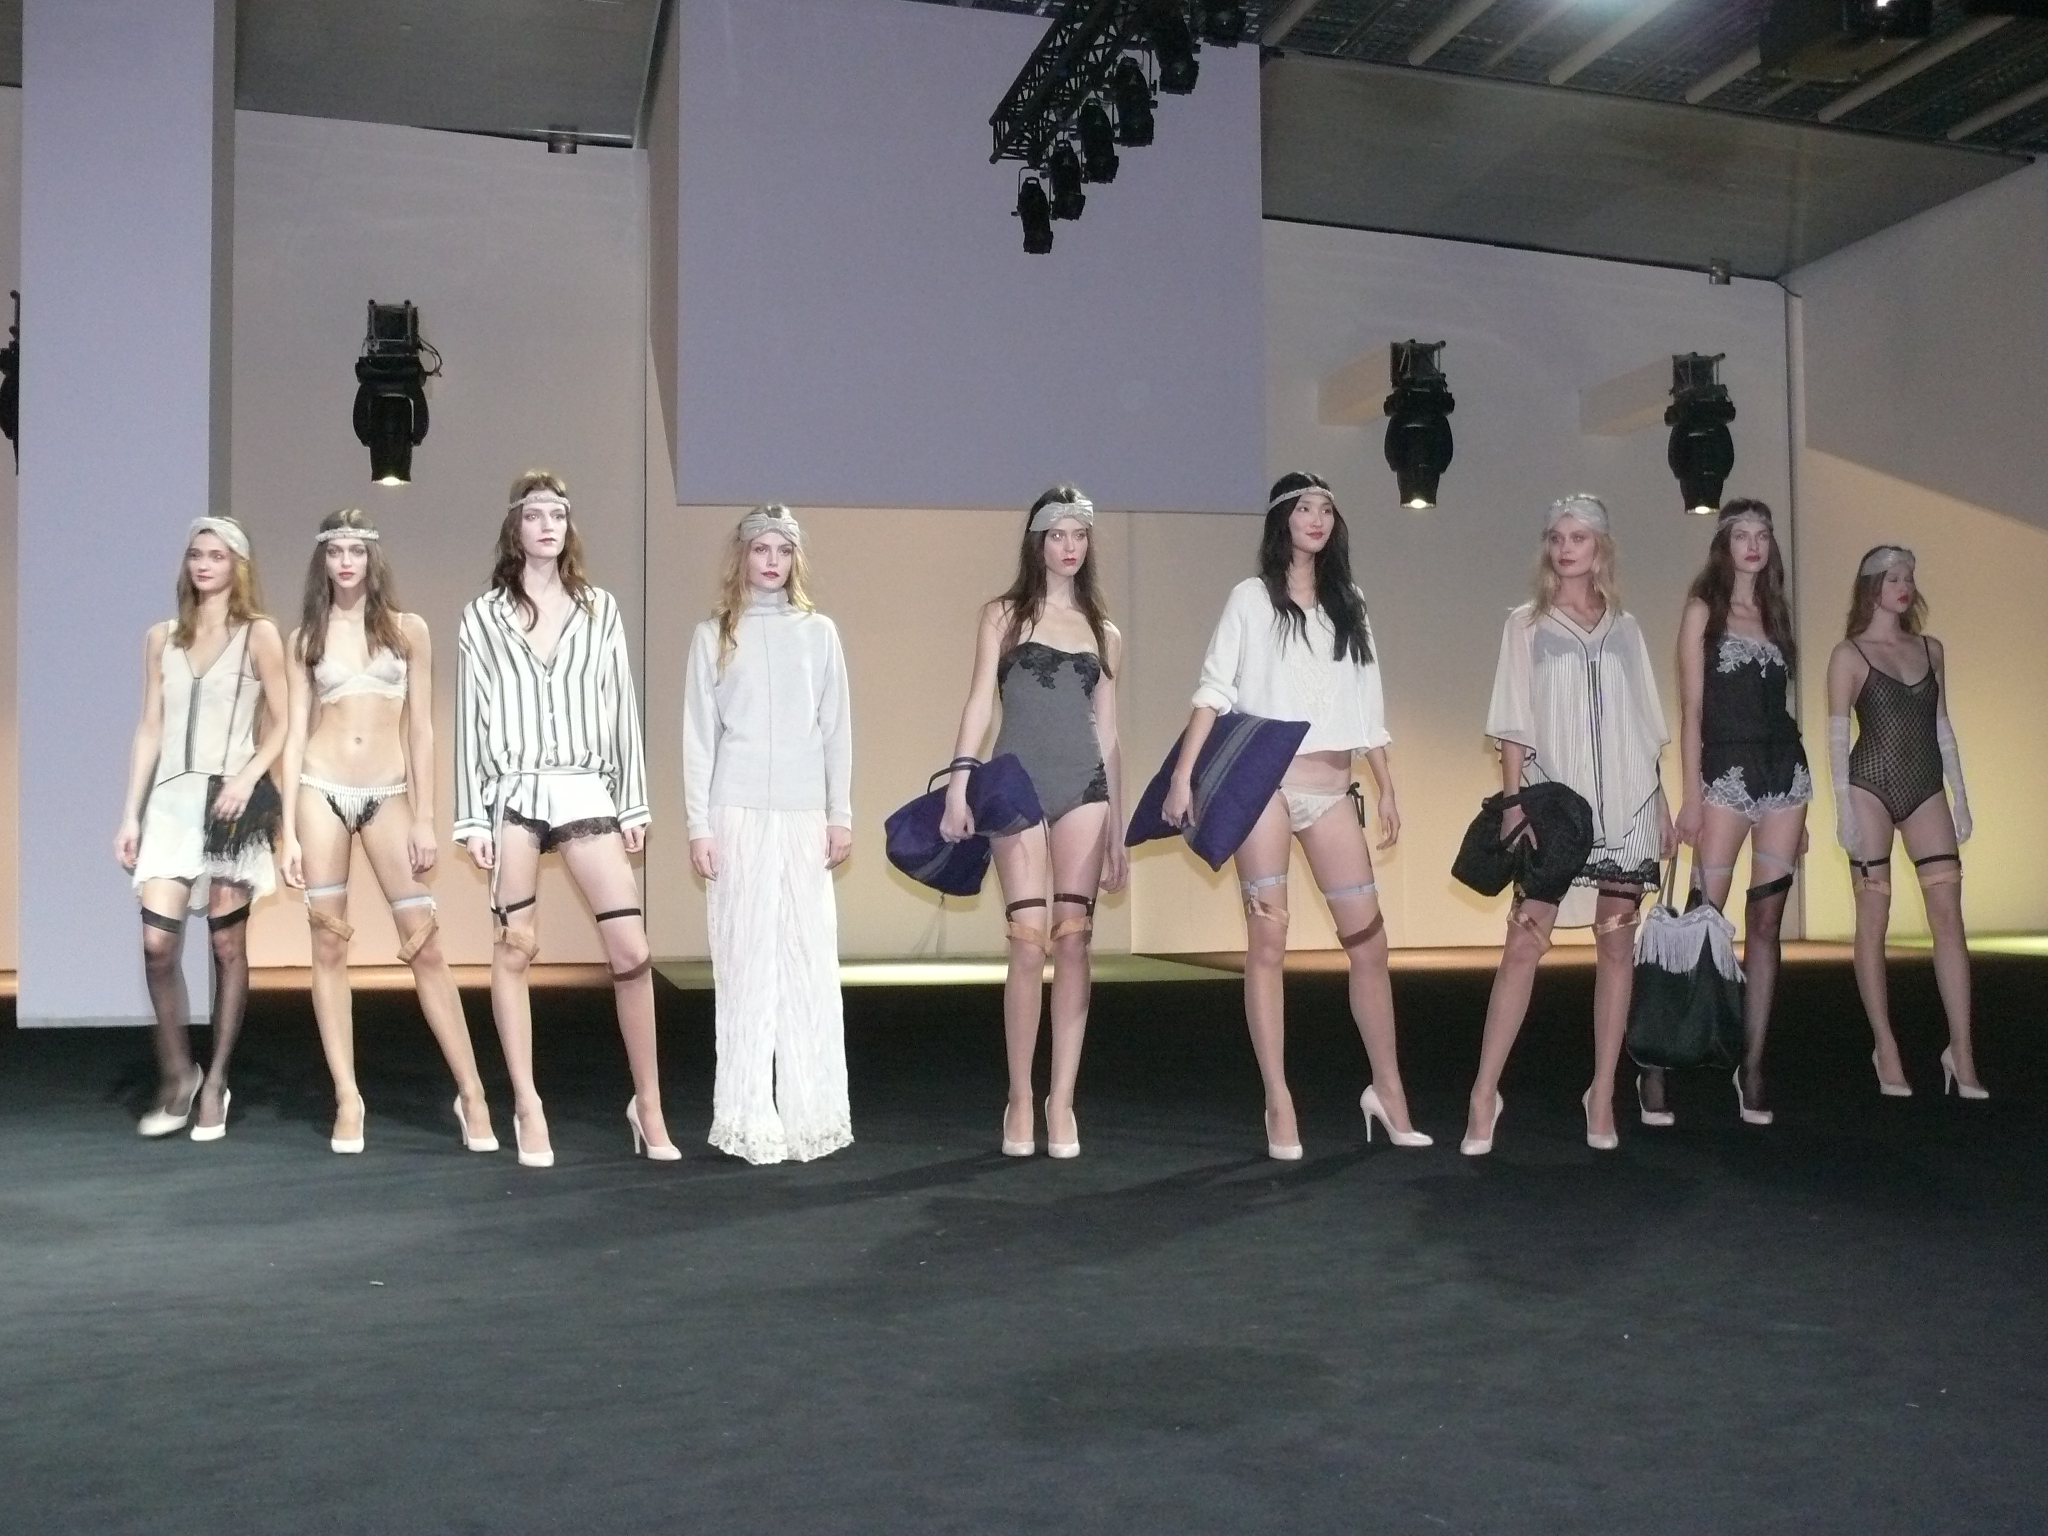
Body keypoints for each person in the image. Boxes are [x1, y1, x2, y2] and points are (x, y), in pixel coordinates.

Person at [1163, 471, 1428, 1158]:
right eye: (1305, 508)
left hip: (1333, 788)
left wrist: (1387, 785)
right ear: (1282, 518)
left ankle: (1388, 1091)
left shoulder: (1350, 603)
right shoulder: (1251, 599)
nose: (1317, 519)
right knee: (1268, 943)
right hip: (1267, 790)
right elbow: (1214, 690)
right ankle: (1278, 1100)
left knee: (1369, 944)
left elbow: (1367, 703)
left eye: (1327, 510)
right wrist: (1184, 776)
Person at [455, 470, 671, 1167]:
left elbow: (621, 705)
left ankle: (648, 1104)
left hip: (584, 787)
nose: (547, 525)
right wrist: (473, 817)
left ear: (568, 526)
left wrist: (632, 800)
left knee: (632, 951)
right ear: (515, 528)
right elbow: (470, 718)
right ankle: (527, 1104)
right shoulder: (482, 617)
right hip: (515, 789)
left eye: (557, 514)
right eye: (534, 514)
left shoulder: (599, 609)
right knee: (515, 947)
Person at [278, 509, 498, 1155]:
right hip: (320, 787)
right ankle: (348, 1097)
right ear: (323, 560)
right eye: (336, 551)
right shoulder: (305, 637)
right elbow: (294, 733)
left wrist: (426, 816)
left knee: (425, 944)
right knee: (328, 945)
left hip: (388, 793)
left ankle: (473, 1093)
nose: (346, 562)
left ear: (373, 558)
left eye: (356, 550)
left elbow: (422, 729)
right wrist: (287, 830)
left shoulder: (408, 631)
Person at [1463, 494, 1675, 1155]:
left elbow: (1644, 724)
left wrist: (1661, 804)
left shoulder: (1626, 629)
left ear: (1600, 547)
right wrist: (1514, 804)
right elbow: (1511, 722)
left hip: (1629, 805)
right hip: (1555, 809)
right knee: (1524, 945)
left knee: (1617, 947)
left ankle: (1602, 1091)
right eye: (1556, 537)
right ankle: (1483, 1094)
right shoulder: (1525, 625)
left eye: (1578, 537)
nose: (1565, 547)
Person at [941, 486, 1127, 1159]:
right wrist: (959, 782)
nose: (1069, 546)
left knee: (1074, 940)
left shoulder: (1104, 631)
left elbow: (1108, 733)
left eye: (1080, 535)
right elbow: (978, 704)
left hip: (1085, 788)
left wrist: (1119, 830)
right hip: (1015, 783)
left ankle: (1062, 1100)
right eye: (1057, 535)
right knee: (1027, 941)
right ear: (1037, 541)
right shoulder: (1002, 615)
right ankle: (1020, 1095)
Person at [684, 507, 855, 1163]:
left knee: (807, 962)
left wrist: (840, 814)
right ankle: (748, 1113)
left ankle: (812, 1113)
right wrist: (699, 825)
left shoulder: (819, 633)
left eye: (783, 550)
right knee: (745, 963)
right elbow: (700, 737)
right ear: (743, 557)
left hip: (804, 813)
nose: (773, 561)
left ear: (795, 559)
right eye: (762, 549)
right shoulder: (714, 636)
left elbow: (836, 729)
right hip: (737, 811)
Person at [115, 516, 289, 1140]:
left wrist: (248, 778)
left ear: (238, 565)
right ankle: (177, 1073)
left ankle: (215, 1079)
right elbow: (150, 726)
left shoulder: (258, 633)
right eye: (196, 554)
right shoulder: (161, 638)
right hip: (170, 802)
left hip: (232, 800)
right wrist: (130, 812)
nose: (204, 564)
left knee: (225, 945)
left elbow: (283, 722)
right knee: (157, 945)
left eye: (216, 555)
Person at [1645, 498, 1807, 1127]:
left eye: (1763, 534)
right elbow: (1691, 712)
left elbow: (1780, 708)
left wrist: (1801, 812)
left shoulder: (1776, 612)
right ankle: (1657, 1059)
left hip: (1784, 774)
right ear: (1725, 544)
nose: (1754, 544)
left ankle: (1753, 1062)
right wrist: (1690, 796)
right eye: (1743, 534)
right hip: (1724, 775)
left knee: (1766, 923)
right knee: (1700, 920)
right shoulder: (1702, 610)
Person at [1825, 546, 1984, 1099]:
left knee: (1948, 917)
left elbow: (1942, 727)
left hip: (1924, 787)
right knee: (1874, 915)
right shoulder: (1849, 654)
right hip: (1868, 785)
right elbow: (1836, 737)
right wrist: (1842, 809)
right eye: (1893, 577)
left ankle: (1961, 1049)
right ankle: (1885, 1045)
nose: (1904, 586)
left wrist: (1961, 797)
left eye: (1909, 577)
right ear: (1871, 586)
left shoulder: (1930, 649)